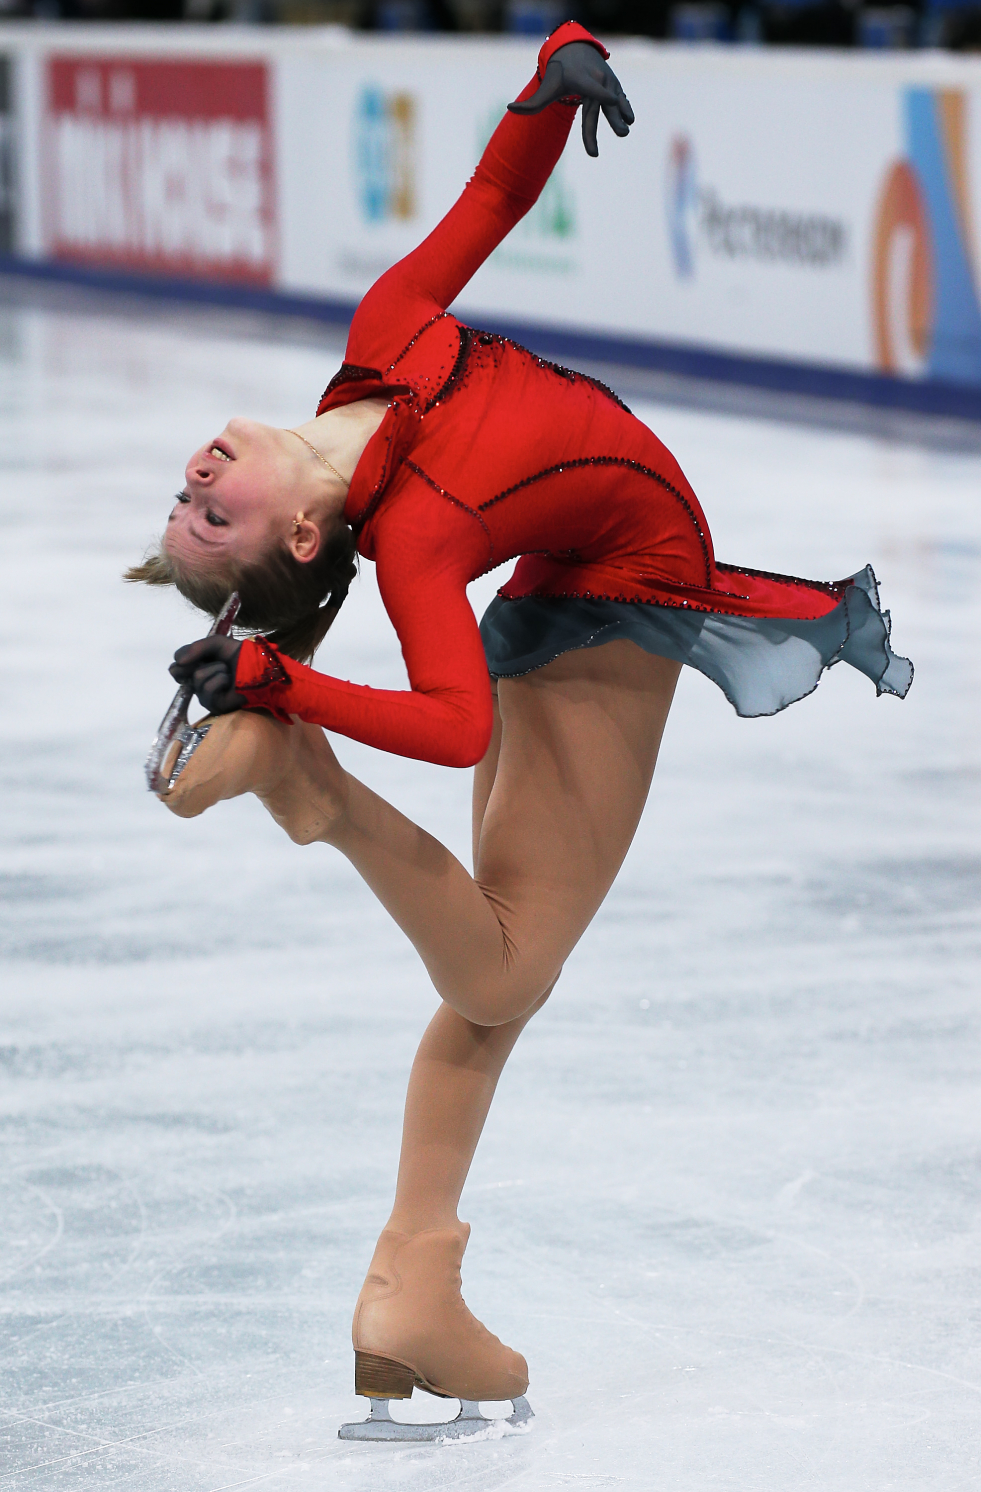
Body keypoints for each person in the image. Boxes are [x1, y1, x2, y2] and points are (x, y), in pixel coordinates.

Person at [127, 22, 911, 1421]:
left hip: (578, 570)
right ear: (305, 535)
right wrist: (288, 698)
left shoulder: (379, 343)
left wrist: (550, 76)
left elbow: (485, 209)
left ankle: (409, 1289)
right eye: (209, 523)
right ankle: (306, 792)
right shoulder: (416, 534)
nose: (192, 485)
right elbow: (445, 722)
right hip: (626, 583)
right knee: (502, 974)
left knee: (491, 967)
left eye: (185, 498)